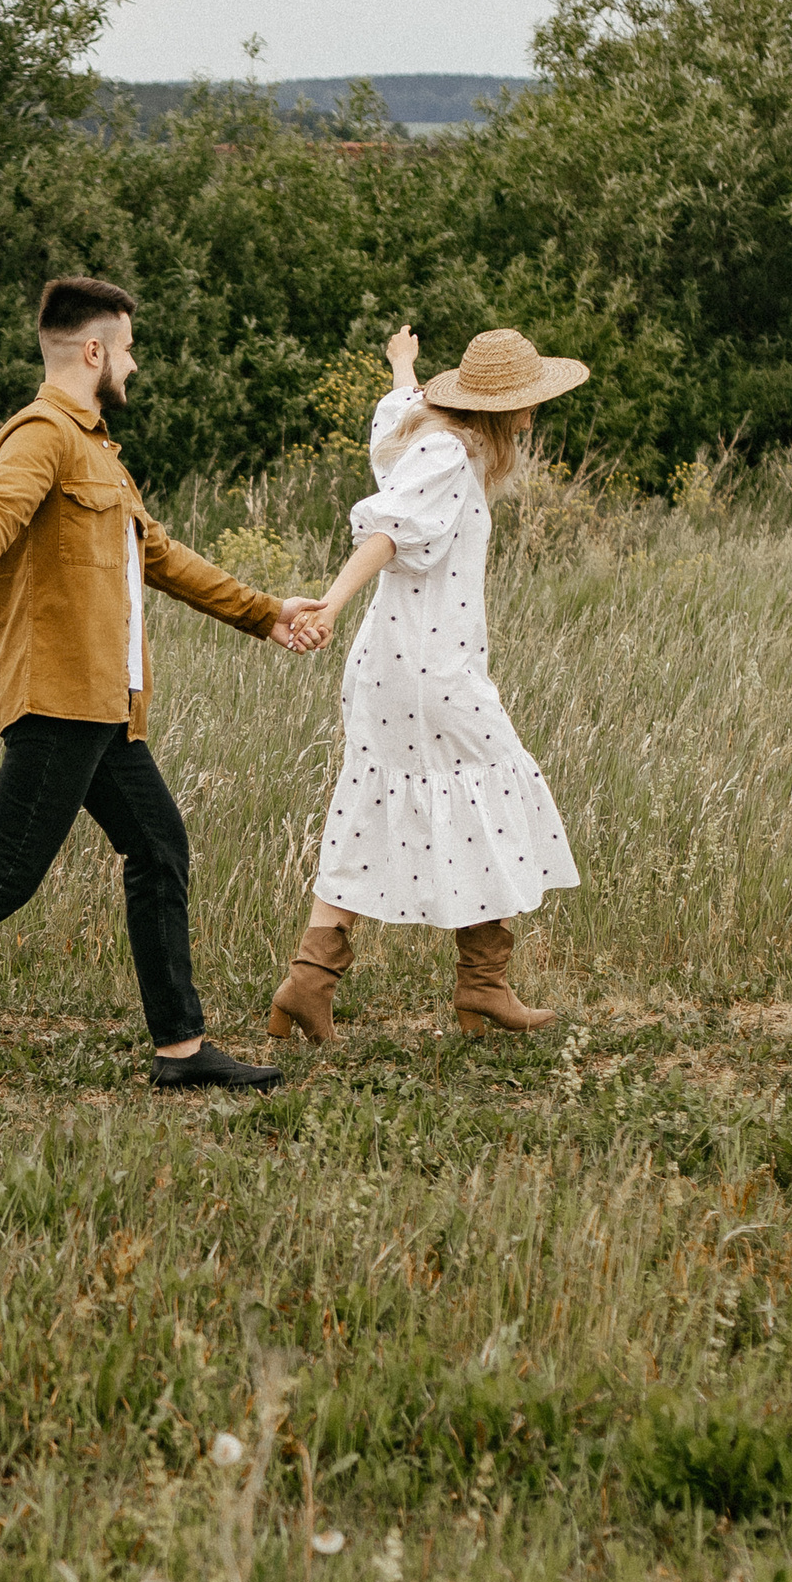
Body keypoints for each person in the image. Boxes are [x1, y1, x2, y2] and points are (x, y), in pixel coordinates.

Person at [0, 276, 320, 1099]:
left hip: (106, 706)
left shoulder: (100, 452)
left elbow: (162, 558)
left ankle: (181, 1051)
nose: (136, 365)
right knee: (2, 876)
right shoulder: (41, 435)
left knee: (158, 848)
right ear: (95, 349)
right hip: (58, 699)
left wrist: (266, 614)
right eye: (131, 348)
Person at [268, 325, 584, 1044]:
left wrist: (402, 364)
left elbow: (392, 417)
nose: (536, 412)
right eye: (528, 400)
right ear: (500, 408)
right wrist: (332, 600)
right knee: (491, 789)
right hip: (427, 672)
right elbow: (388, 532)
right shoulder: (447, 452)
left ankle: (310, 983)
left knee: (388, 801)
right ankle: (481, 985)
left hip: (401, 665)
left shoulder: (421, 433)